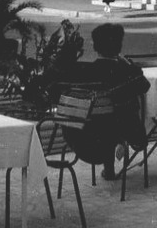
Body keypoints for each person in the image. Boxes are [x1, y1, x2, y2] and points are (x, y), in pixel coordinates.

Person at [61, 23, 149, 181]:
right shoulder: (124, 71)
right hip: (117, 130)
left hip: (85, 134)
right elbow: (144, 85)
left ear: (95, 47)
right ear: (119, 46)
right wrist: (128, 65)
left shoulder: (84, 71)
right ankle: (123, 142)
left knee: (108, 115)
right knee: (126, 104)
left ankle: (111, 165)